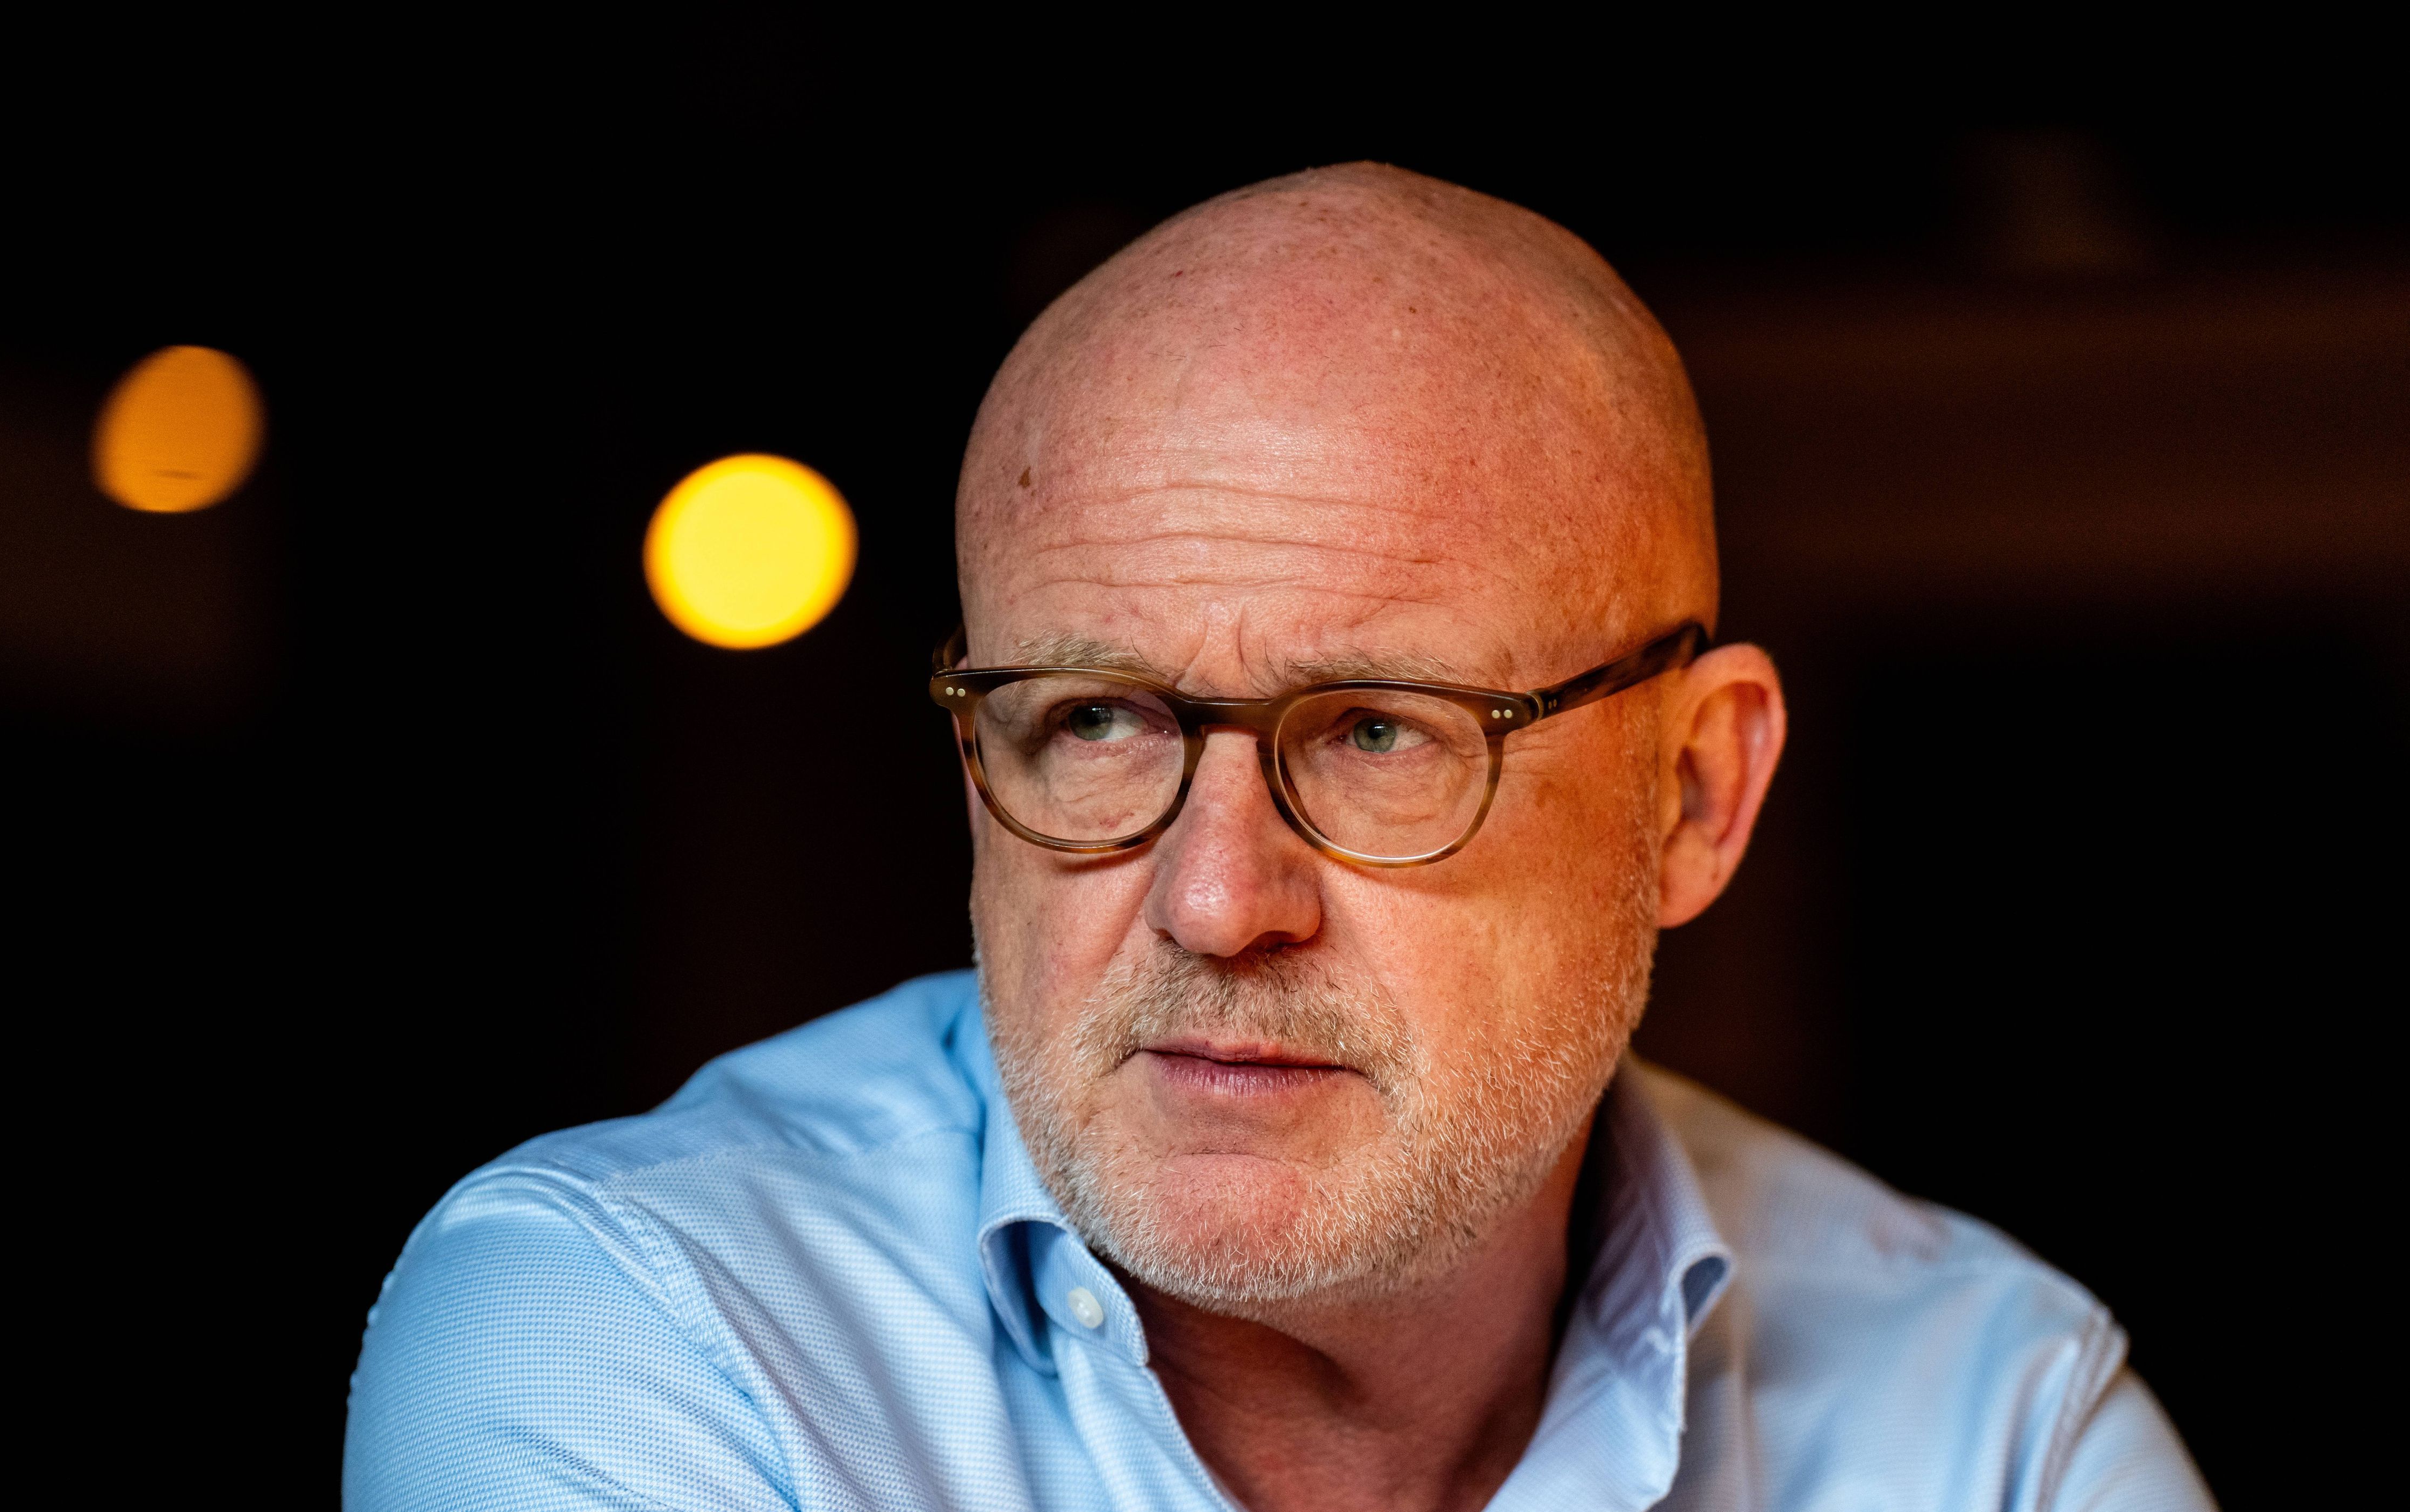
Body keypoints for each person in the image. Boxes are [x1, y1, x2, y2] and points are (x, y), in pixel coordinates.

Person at [343, 163, 2212, 1511]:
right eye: (1094, 720)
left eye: (1382, 733)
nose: (1216, 899)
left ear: (1693, 797)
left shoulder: (1988, 1426)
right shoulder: (638, 1334)